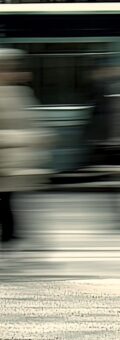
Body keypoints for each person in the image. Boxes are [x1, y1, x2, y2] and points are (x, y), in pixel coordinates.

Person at [0, 49, 50, 245]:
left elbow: (32, 124)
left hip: (11, 163)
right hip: (8, 161)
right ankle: (9, 235)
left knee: (7, 200)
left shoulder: (20, 93)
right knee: (6, 201)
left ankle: (9, 235)